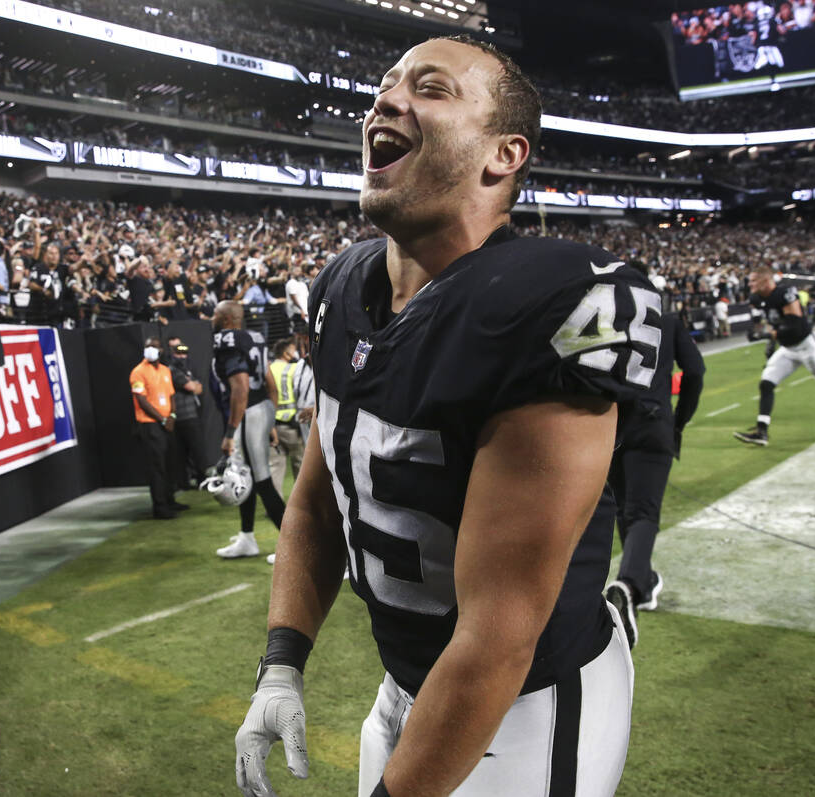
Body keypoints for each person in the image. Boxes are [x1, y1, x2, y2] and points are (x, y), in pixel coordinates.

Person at [233, 36, 655, 797]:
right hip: (405, 686)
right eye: (386, 84)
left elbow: (500, 636)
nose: (386, 101)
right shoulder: (340, 287)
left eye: (430, 88)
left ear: (504, 154)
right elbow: (317, 503)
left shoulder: (556, 302)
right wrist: (282, 663)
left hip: (526, 704)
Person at [605, 261, 705, 649]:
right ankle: (628, 584)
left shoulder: (607, 319)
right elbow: (695, 372)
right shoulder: (668, 320)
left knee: (623, 508)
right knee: (643, 511)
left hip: (612, 426)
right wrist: (678, 422)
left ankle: (642, 584)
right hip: (652, 422)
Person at [733, 266, 815, 446]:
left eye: (754, 280)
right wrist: (769, 343)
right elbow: (770, 323)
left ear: (766, 280)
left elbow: (793, 324)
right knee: (766, 382)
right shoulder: (756, 298)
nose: (750, 284)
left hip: (807, 344)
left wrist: (768, 335)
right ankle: (762, 431)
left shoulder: (784, 292)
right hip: (788, 348)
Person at [211, 300, 286, 560]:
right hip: (262, 408)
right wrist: (270, 421)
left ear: (227, 320)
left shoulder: (226, 340)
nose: (212, 318)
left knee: (262, 480)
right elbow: (270, 384)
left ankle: (294, 545)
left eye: (215, 314)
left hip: (248, 412)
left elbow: (240, 388)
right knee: (246, 477)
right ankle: (247, 537)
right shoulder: (254, 337)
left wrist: (230, 433)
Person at [129, 336, 183, 519]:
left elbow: (172, 396)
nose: (150, 349)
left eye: (154, 346)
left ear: (161, 350)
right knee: (157, 466)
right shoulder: (138, 372)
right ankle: (159, 507)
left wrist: (172, 416)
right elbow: (141, 400)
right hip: (150, 425)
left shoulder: (166, 370)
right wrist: (162, 419)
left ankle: (170, 499)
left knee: (171, 463)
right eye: (148, 346)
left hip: (168, 423)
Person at [267, 338, 313, 493]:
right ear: (286, 353)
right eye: (293, 350)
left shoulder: (268, 369)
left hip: (272, 425)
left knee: (275, 468)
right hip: (293, 425)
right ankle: (302, 507)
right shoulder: (294, 369)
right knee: (301, 468)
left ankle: (275, 507)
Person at [166, 336, 210, 491]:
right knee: (184, 451)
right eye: (176, 351)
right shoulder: (171, 369)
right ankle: (186, 481)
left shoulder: (188, 368)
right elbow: (192, 387)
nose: (181, 355)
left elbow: (200, 388)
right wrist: (192, 384)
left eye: (182, 351)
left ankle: (199, 479)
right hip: (182, 416)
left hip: (191, 413)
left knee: (195, 449)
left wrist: (193, 384)